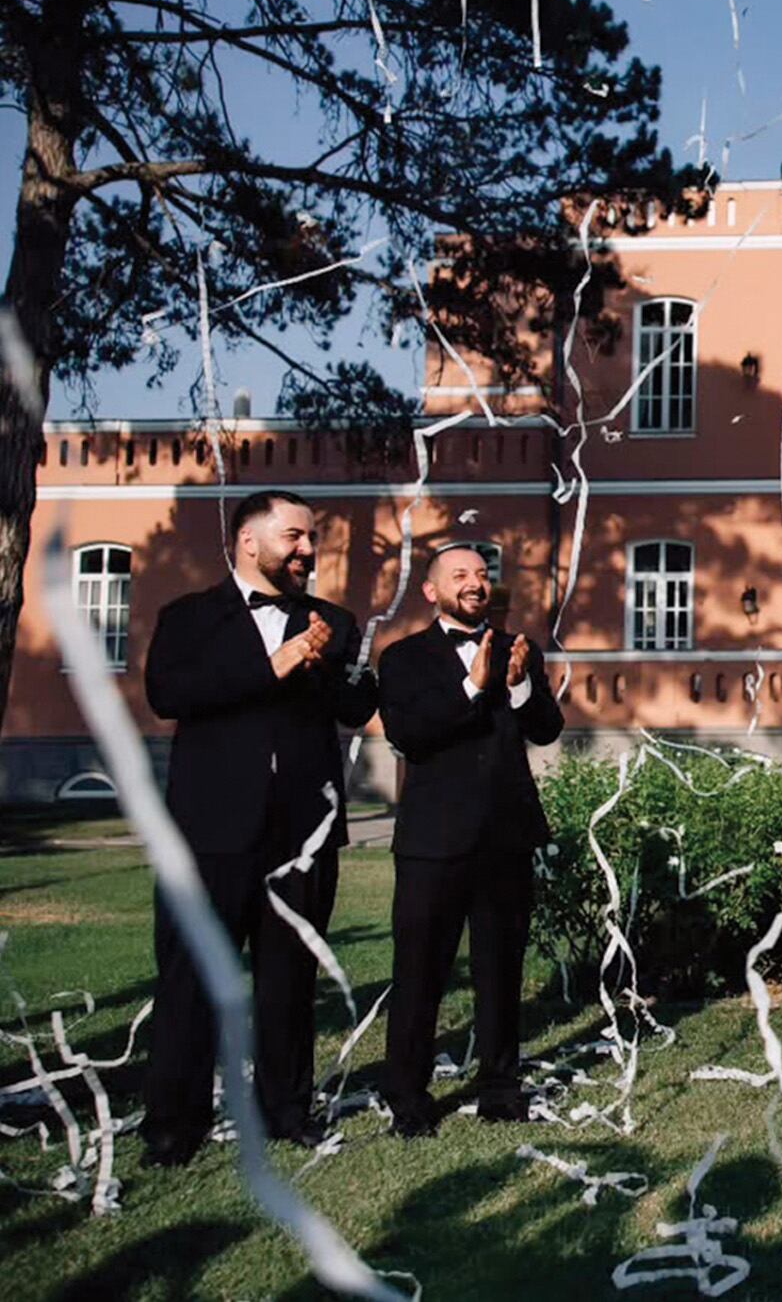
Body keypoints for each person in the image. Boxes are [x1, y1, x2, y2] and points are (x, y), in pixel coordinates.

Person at [140, 490, 379, 1166]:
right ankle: (172, 1124)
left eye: (312, 538)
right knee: (190, 978)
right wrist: (269, 666)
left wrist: (339, 668)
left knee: (289, 978)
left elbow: (358, 705)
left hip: (301, 834)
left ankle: (287, 1110)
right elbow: (169, 694)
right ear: (250, 541)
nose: (309, 549)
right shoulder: (189, 617)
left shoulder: (334, 620)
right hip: (209, 832)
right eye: (295, 537)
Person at [376, 545, 564, 1137]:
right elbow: (410, 735)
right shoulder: (403, 657)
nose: (476, 584)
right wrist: (470, 686)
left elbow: (547, 728)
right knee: (420, 973)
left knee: (501, 969)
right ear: (431, 591)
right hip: (433, 841)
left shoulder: (519, 649)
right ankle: (408, 1097)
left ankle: (500, 1087)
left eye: (482, 575)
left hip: (506, 835)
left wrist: (516, 689)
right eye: (460, 576)